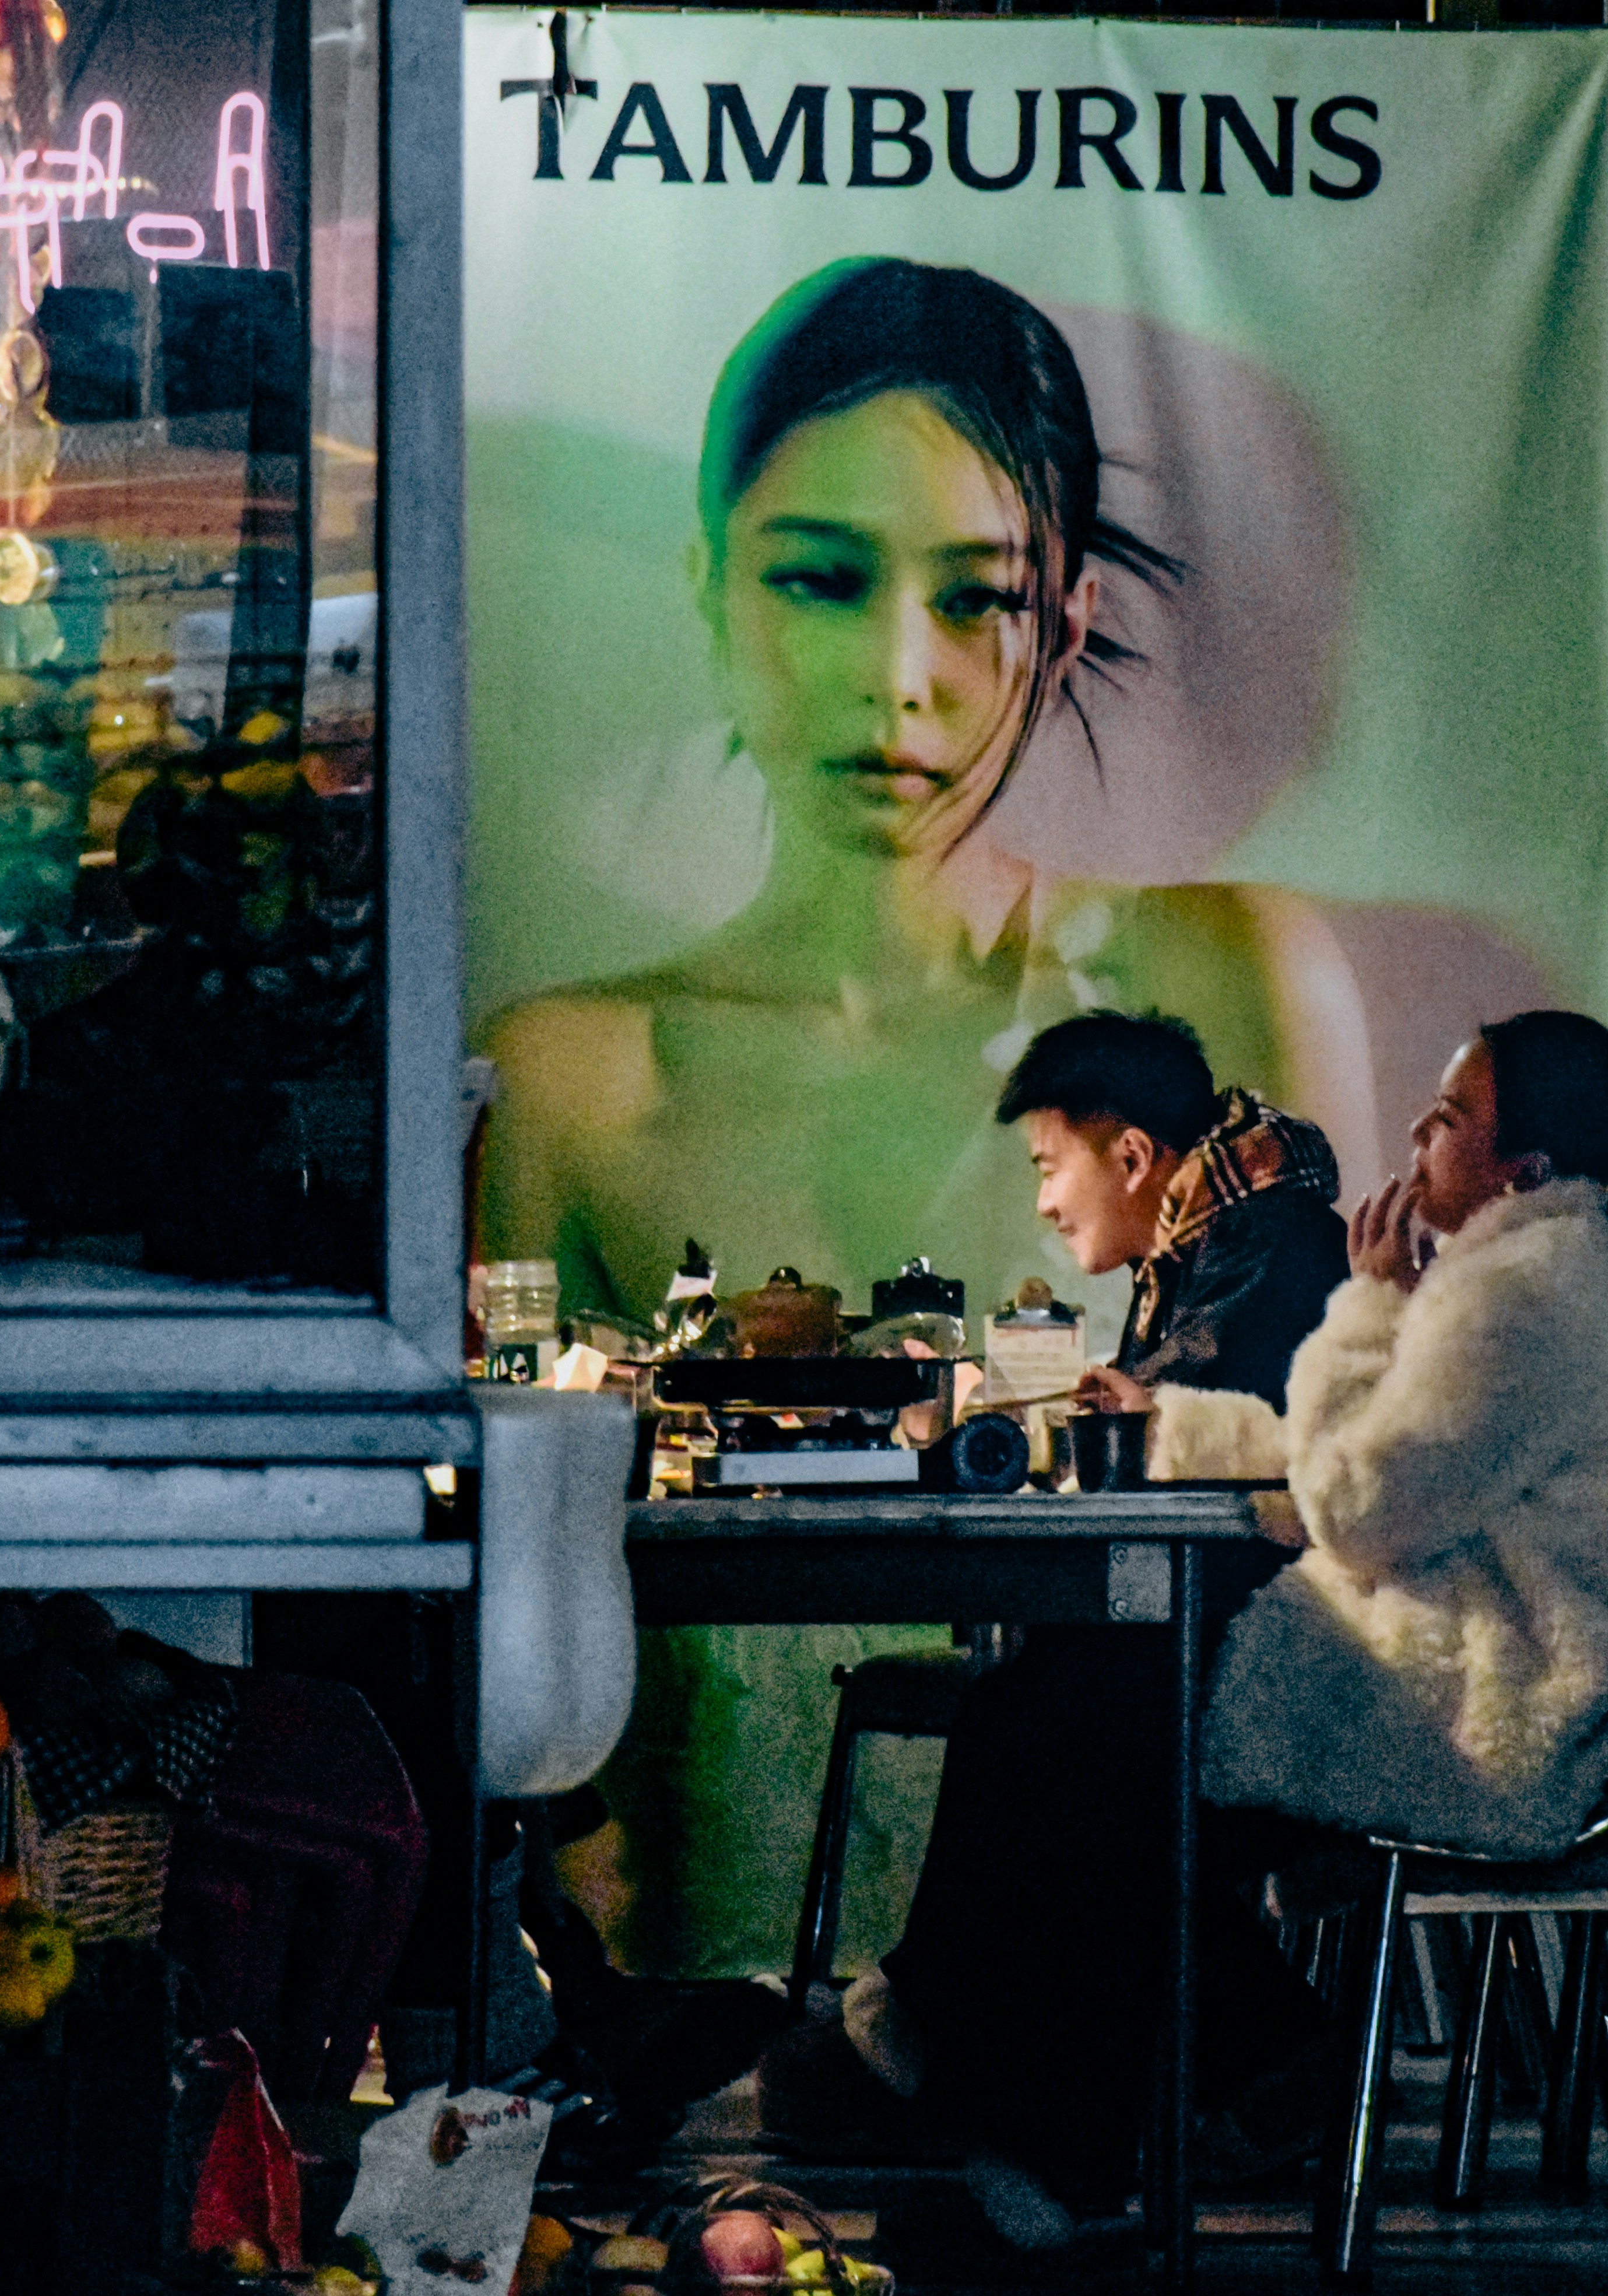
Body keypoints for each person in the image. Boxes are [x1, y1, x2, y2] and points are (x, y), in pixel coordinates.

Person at [481, 257, 1387, 1980]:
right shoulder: (572, 1078)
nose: (896, 677)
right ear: (711, 587)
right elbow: (524, 1605)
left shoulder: (1237, 982)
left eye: (972, 600)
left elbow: (1328, 1478)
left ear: (1060, 620)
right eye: (820, 579)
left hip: (1138, 1972)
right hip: (703, 1996)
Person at [781, 1009, 1608, 2250]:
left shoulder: (1524, 1297)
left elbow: (1354, 1503)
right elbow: (1356, 1467)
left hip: (1487, 1709)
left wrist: (1371, 1307)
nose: (1416, 1133)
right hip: (1489, 1663)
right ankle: (1044, 2099)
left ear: (1527, 1172)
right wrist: (1172, 1431)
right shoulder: (1563, 1273)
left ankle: (1027, 2127)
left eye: (1449, 1118)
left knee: (1079, 1727)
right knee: (1067, 1707)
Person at [999, 1009, 1347, 1418]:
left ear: (1133, 1158)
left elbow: (1172, 1419)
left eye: (1050, 1170)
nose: (1045, 1204)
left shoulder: (1265, 1240)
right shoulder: (1185, 1253)